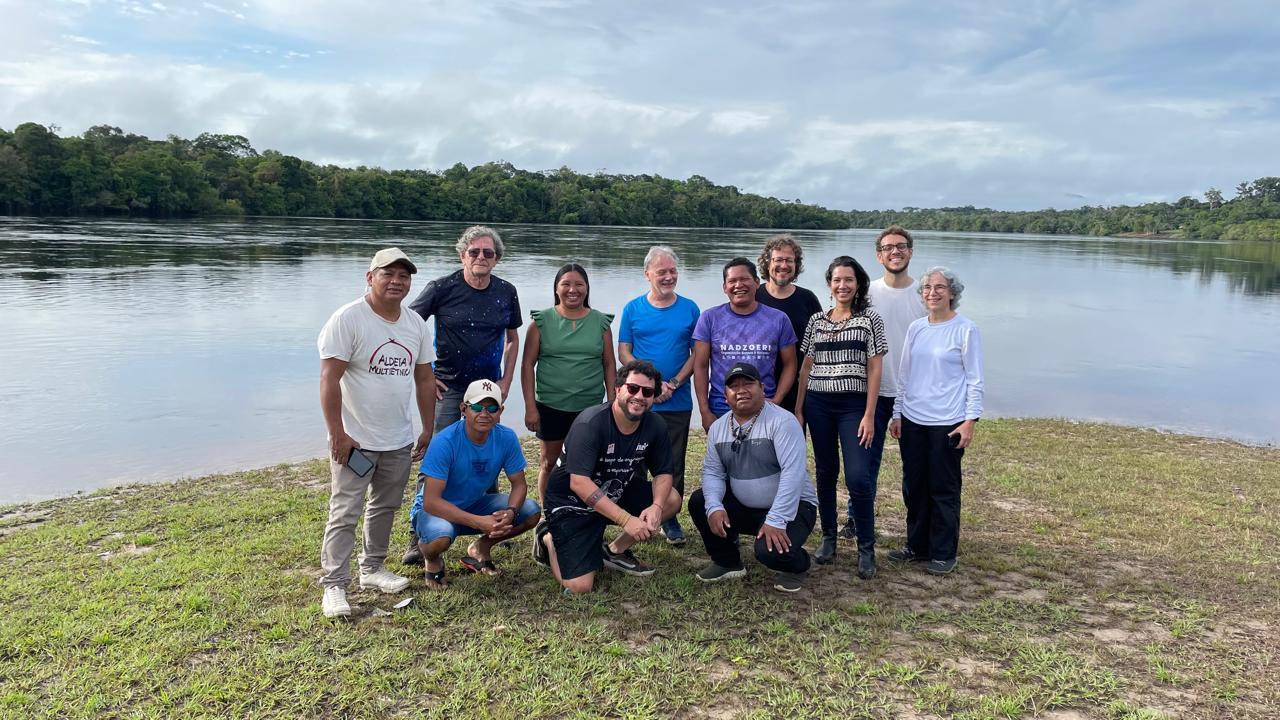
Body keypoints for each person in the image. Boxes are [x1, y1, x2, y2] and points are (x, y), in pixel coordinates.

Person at [316, 248, 437, 618]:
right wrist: (337, 433)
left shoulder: (415, 324)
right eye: (388, 274)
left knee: (385, 506)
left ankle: (372, 568)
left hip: (398, 438)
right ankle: (335, 585)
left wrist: (427, 427)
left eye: (404, 276)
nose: (397, 281)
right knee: (345, 511)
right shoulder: (348, 319)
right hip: (356, 440)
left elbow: (424, 378)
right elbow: (329, 378)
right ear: (370, 277)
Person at [404, 225, 522, 565]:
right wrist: (424, 373)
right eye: (475, 252)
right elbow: (407, 326)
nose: (481, 258)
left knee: (488, 453)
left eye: (488, 253)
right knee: (435, 462)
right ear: (462, 256)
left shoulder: (506, 291)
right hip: (450, 388)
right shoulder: (442, 288)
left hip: (488, 389)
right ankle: (419, 535)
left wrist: (507, 379)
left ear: (497, 259)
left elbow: (513, 339)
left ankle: (493, 527)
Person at [534, 360, 682, 594]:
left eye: (647, 392)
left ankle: (614, 551)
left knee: (671, 499)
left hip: (614, 490)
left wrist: (656, 506)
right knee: (580, 587)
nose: (639, 396)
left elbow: (663, 472)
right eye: (633, 389)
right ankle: (548, 538)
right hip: (571, 503)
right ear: (617, 389)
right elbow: (579, 483)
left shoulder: (655, 425)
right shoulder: (590, 423)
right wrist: (626, 520)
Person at [794, 257, 888, 577]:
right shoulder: (817, 320)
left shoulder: (869, 319)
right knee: (825, 472)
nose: (842, 285)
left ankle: (866, 548)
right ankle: (829, 538)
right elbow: (806, 366)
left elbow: (875, 366)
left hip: (854, 406)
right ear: (829, 284)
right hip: (818, 404)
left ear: (858, 283)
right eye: (836, 280)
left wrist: (870, 414)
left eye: (848, 280)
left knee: (859, 477)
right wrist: (799, 409)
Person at [888, 267, 984, 576]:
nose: (932, 292)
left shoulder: (965, 329)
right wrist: (897, 413)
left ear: (953, 293)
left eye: (940, 287)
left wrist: (970, 421)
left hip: (948, 421)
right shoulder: (917, 328)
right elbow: (904, 375)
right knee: (914, 486)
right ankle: (917, 546)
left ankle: (943, 552)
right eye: (927, 287)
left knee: (944, 488)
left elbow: (975, 380)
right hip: (914, 419)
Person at [691, 362, 818, 593]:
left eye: (748, 383)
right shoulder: (719, 428)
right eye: (733, 386)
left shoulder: (783, 421)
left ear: (762, 387)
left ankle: (798, 565)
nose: (741, 390)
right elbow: (713, 472)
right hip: (747, 508)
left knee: (769, 553)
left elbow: (793, 473)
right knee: (700, 502)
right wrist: (714, 507)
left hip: (794, 508)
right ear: (725, 395)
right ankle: (727, 562)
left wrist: (777, 519)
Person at [411, 379, 541, 589]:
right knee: (440, 537)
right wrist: (479, 522)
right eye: (477, 407)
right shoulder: (444, 442)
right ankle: (432, 559)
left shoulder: (506, 437)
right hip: (436, 510)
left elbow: (519, 484)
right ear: (464, 409)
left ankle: (481, 547)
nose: (484, 413)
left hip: (475, 503)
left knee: (531, 510)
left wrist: (511, 511)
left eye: (492, 408)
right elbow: (431, 502)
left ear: (501, 410)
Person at [844, 225, 926, 540]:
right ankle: (856, 520)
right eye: (889, 247)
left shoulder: (924, 293)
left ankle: (918, 528)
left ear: (910, 251)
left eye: (901, 246)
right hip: (871, 393)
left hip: (915, 394)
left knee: (916, 466)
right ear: (879, 255)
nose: (896, 252)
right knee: (863, 464)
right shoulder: (866, 294)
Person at [617, 246, 700, 545]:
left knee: (672, 461)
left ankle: (668, 516)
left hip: (676, 399)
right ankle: (639, 516)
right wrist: (648, 383)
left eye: (672, 271)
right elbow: (624, 350)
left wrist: (674, 382)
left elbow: (697, 354)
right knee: (635, 459)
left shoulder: (690, 309)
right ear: (647, 274)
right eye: (661, 271)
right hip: (640, 398)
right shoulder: (633, 309)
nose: (668, 277)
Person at [521, 263, 617, 502]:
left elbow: (609, 364)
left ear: (587, 288)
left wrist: (613, 402)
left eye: (579, 284)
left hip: (589, 407)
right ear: (556, 288)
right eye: (566, 284)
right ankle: (548, 513)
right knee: (549, 463)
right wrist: (530, 407)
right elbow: (527, 365)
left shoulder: (601, 323)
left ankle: (583, 511)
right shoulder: (541, 322)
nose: (572, 290)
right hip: (551, 405)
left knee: (585, 465)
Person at [693, 257, 797, 431]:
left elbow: (790, 364)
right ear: (725, 287)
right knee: (724, 458)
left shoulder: (778, 319)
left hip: (765, 409)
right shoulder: (709, 318)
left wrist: (777, 400)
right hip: (721, 409)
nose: (738, 285)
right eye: (732, 281)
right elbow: (701, 367)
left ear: (757, 282)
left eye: (744, 279)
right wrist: (704, 411)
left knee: (765, 458)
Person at [754, 234, 822, 414]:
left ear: (796, 265)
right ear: (767, 263)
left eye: (789, 260)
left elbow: (819, 344)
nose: (783, 265)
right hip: (757, 386)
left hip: (798, 388)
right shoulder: (754, 296)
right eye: (778, 260)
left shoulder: (807, 299)